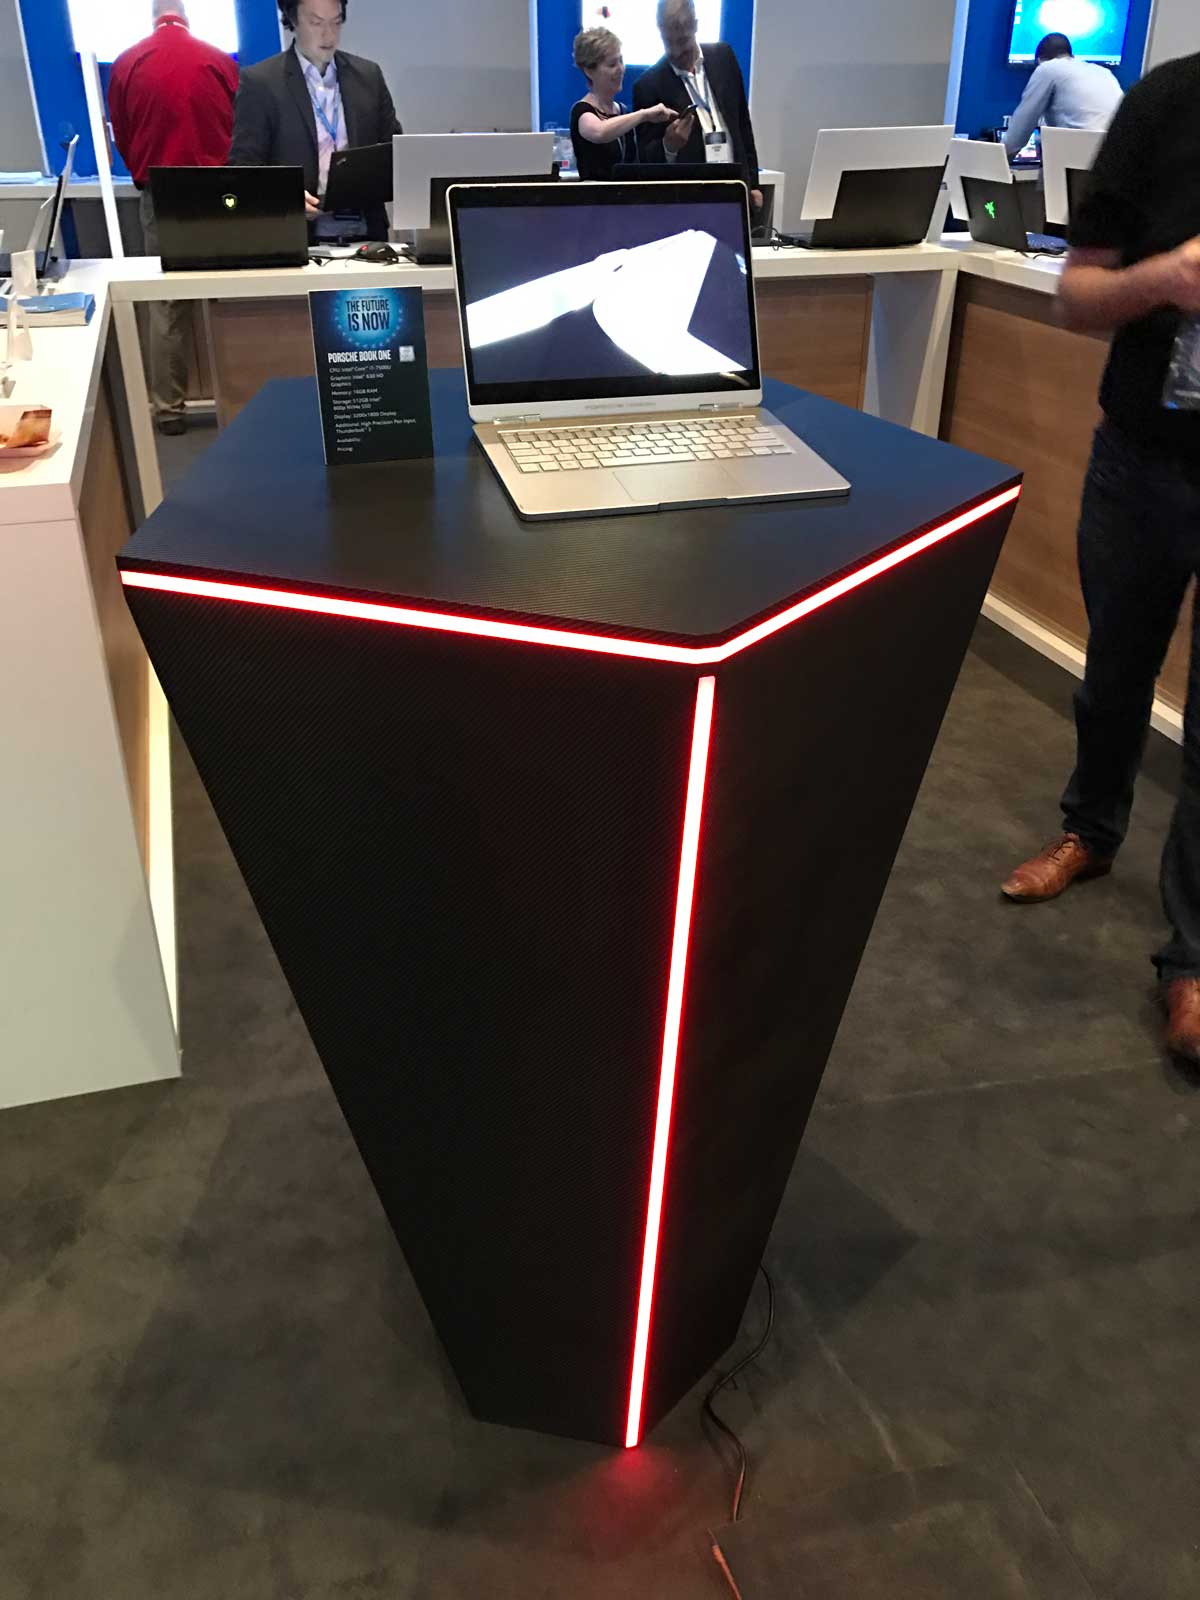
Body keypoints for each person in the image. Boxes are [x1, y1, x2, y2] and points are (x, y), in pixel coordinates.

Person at [1000, 52, 1200, 1065]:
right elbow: (1074, 297)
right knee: (1114, 674)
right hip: (1142, 459)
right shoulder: (1164, 106)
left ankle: (1192, 960)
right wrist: (1169, 279)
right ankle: (1090, 831)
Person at [107, 0, 237, 435]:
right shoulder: (219, 61)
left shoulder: (127, 63)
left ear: (153, 16)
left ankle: (168, 410)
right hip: (219, 192)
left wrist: (142, 174)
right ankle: (240, 399)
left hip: (161, 192)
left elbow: (122, 134)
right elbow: (240, 129)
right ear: (186, 16)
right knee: (230, 295)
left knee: (166, 306)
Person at [229, 0, 402, 242]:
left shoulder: (368, 76)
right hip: (297, 236)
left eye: (336, 22)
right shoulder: (262, 83)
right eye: (316, 23)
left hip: (366, 235)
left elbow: (396, 152)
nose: (328, 35)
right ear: (292, 19)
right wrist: (282, 196)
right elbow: (243, 169)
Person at [631, 0, 761, 213]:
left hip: (735, 192)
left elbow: (742, 124)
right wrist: (669, 146)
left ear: (696, 26)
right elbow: (645, 162)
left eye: (682, 40)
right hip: (688, 203)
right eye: (668, 41)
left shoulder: (723, 57)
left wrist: (753, 184)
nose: (675, 51)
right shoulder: (648, 86)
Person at [569, 27, 679, 181]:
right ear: (589, 71)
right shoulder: (582, 111)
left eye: (621, 61)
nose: (620, 69)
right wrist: (644, 114)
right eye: (612, 64)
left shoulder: (622, 110)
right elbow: (600, 132)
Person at [1002, 32, 1123, 159]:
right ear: (1072, 56)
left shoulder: (1047, 68)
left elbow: (1021, 129)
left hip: (1084, 155)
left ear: (1040, 60)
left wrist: (1002, 157)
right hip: (1119, 152)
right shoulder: (1104, 72)